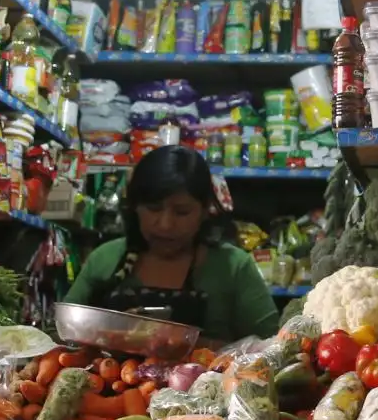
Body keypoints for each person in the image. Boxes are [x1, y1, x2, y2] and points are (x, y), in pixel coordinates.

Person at [65, 145, 280, 344]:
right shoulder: (105, 259)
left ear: (204, 211)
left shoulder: (233, 267)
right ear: (134, 207)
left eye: (182, 212)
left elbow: (274, 345)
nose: (166, 225)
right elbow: (65, 332)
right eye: (153, 208)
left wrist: (195, 347)